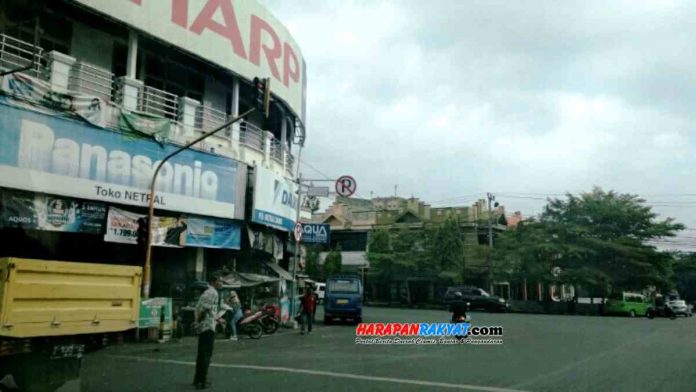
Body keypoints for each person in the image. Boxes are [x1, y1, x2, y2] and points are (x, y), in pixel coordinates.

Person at [193, 272, 223, 390]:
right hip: (207, 327)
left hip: (207, 325)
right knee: (205, 354)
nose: (221, 283)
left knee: (202, 354)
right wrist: (198, 322)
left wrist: (218, 319)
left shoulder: (209, 292)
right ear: (213, 282)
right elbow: (204, 310)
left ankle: (198, 379)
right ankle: (201, 381)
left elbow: (209, 310)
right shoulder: (212, 292)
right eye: (219, 281)